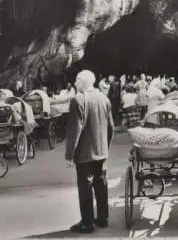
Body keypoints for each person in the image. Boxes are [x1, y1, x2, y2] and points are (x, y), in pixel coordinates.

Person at [65, 70, 115, 234]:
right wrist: (105, 147)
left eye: (77, 80)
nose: (75, 83)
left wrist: (69, 155)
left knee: (85, 187)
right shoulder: (104, 98)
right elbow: (111, 127)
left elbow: (75, 130)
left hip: (85, 153)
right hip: (101, 151)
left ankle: (87, 223)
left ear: (83, 82)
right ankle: (102, 218)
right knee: (101, 184)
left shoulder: (78, 100)